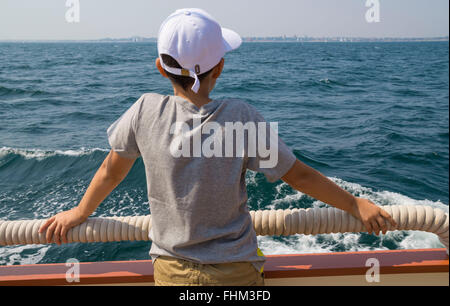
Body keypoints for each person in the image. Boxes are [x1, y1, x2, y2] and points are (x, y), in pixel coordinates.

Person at [39, 8, 397, 286]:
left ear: (161, 69)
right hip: (236, 273)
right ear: (220, 67)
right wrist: (354, 203)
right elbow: (299, 176)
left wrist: (80, 212)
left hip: (171, 272)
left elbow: (110, 170)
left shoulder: (144, 111)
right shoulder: (242, 117)